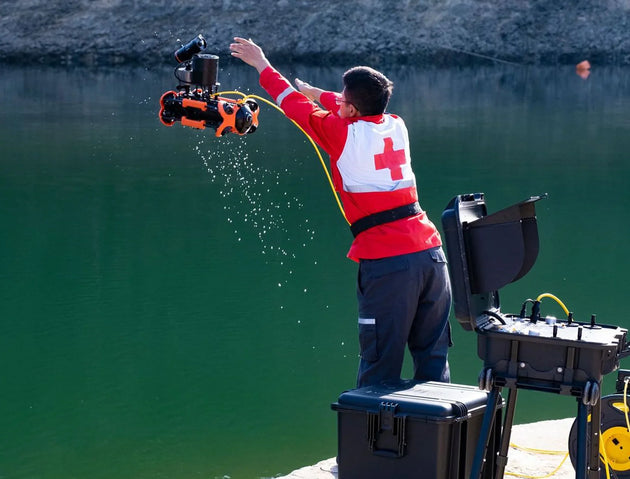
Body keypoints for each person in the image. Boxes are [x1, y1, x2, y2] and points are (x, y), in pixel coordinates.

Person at [229, 37, 452, 388]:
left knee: (379, 368)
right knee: (433, 358)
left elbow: (290, 102)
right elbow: (343, 105)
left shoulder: (339, 134)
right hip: (431, 256)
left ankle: (371, 426)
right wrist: (319, 94)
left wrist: (261, 63)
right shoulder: (395, 124)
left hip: (389, 263)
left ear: (350, 111)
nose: (338, 103)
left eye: (343, 101)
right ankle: (443, 422)